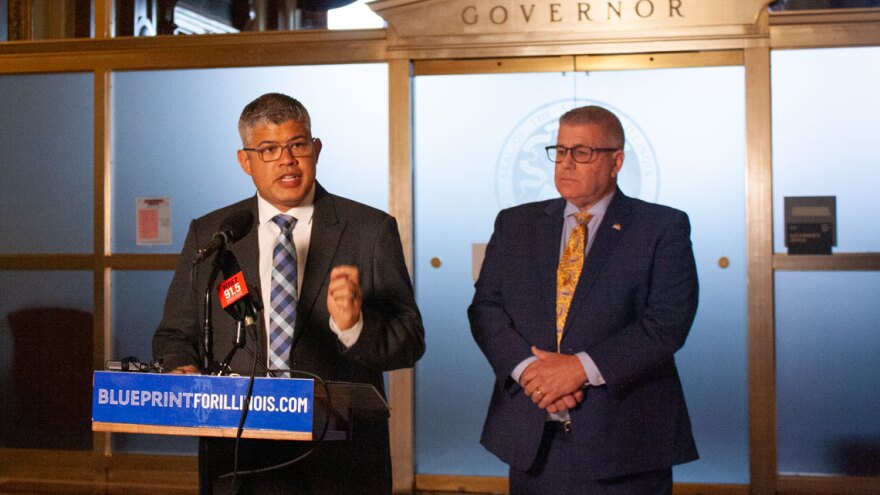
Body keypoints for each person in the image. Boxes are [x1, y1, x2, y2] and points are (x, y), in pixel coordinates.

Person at [153, 92, 425, 494]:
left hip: (338, 459)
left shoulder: (368, 229)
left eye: (298, 145)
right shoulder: (213, 234)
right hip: (238, 455)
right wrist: (182, 368)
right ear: (245, 161)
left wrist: (354, 326)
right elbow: (175, 335)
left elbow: (410, 342)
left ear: (315, 150)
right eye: (268, 149)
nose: (287, 160)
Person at [468, 105, 698, 494]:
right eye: (559, 151)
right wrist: (528, 371)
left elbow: (667, 324)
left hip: (625, 445)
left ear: (616, 161)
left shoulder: (662, 227)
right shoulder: (515, 224)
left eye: (582, 152)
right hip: (532, 439)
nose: (566, 163)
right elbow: (486, 309)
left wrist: (579, 369)